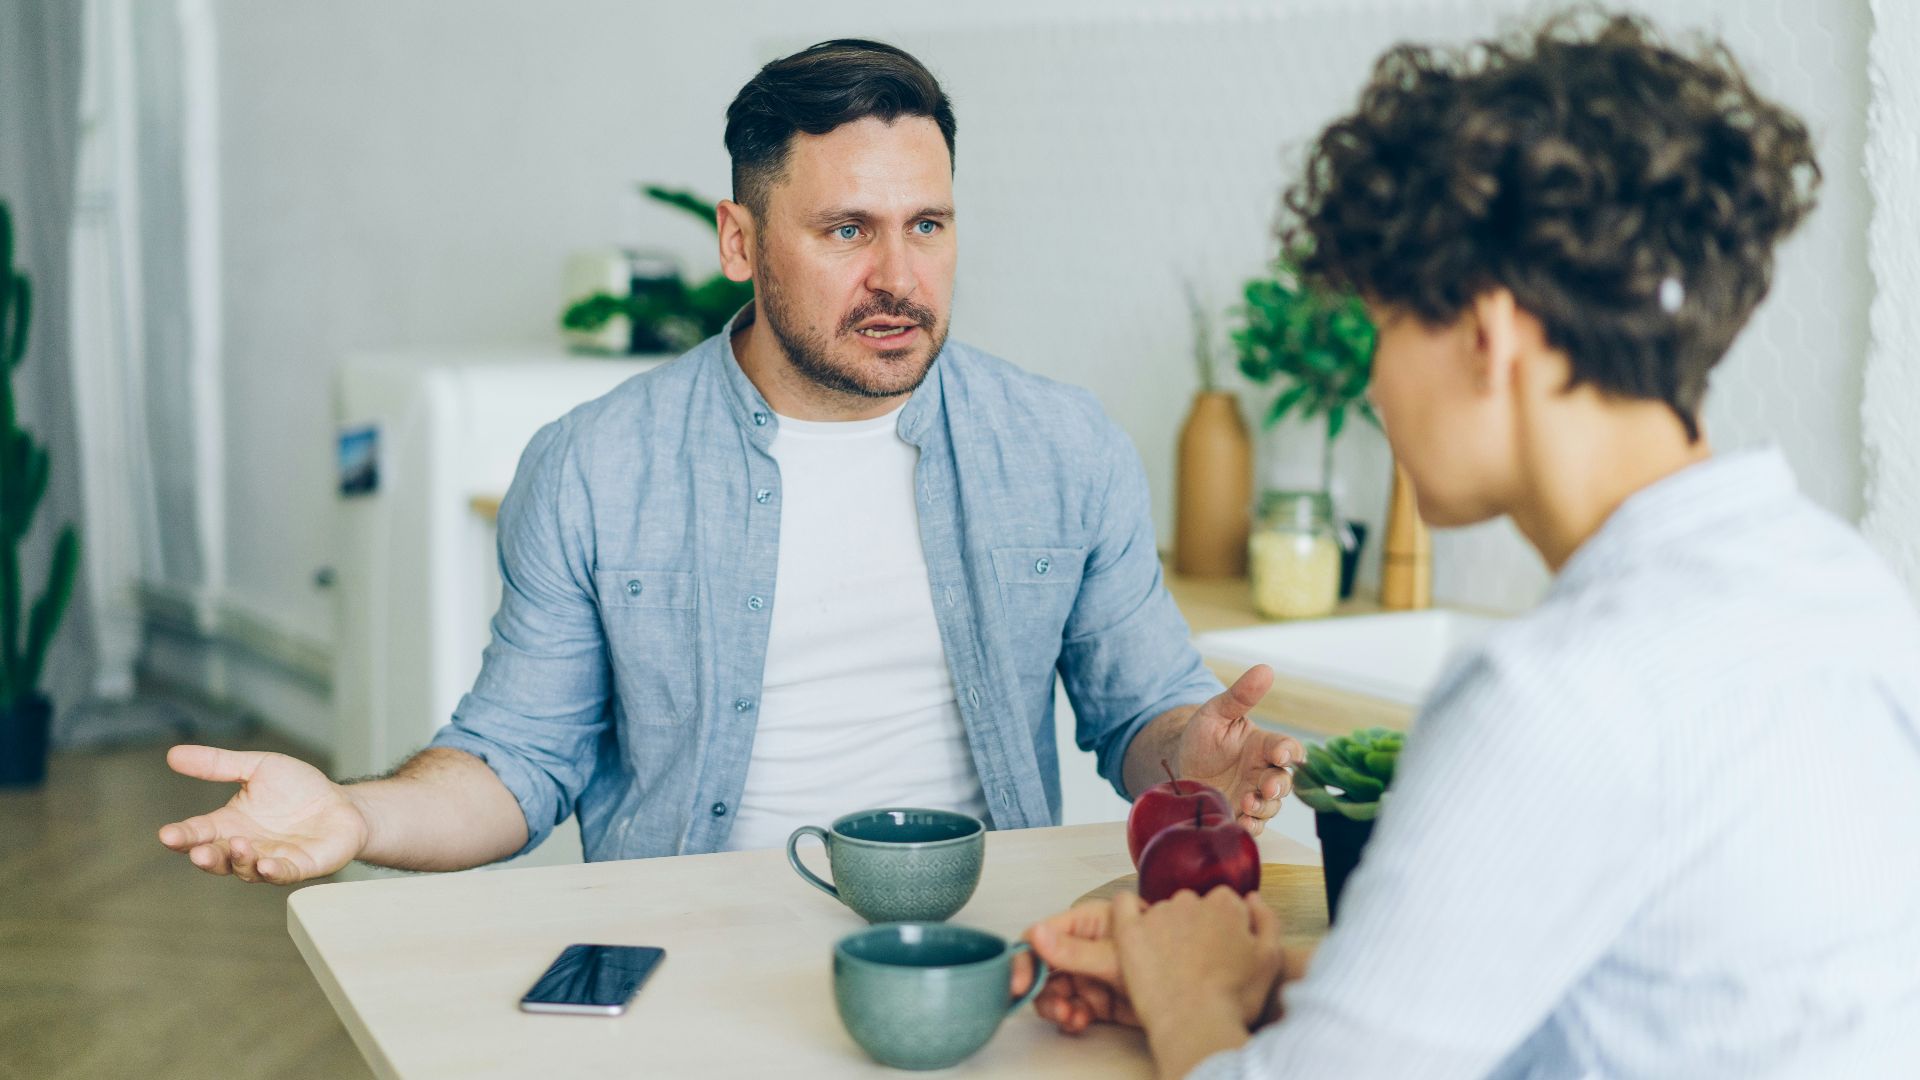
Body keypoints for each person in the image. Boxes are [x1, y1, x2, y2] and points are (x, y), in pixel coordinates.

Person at [156, 39, 1303, 885]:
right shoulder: (596, 467)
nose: (900, 278)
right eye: (848, 231)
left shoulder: (1062, 447)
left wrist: (1190, 750)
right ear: (741, 240)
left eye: (930, 226)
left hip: (979, 948)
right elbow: (515, 763)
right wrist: (356, 815)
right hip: (682, 946)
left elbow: (1139, 716)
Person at [1020, 12, 1920, 1078]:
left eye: (1383, 326)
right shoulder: (1847, 591)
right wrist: (1272, 994)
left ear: (1485, 337)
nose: (1371, 384)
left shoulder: (1557, 697)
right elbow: (1648, 998)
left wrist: (1192, 994)